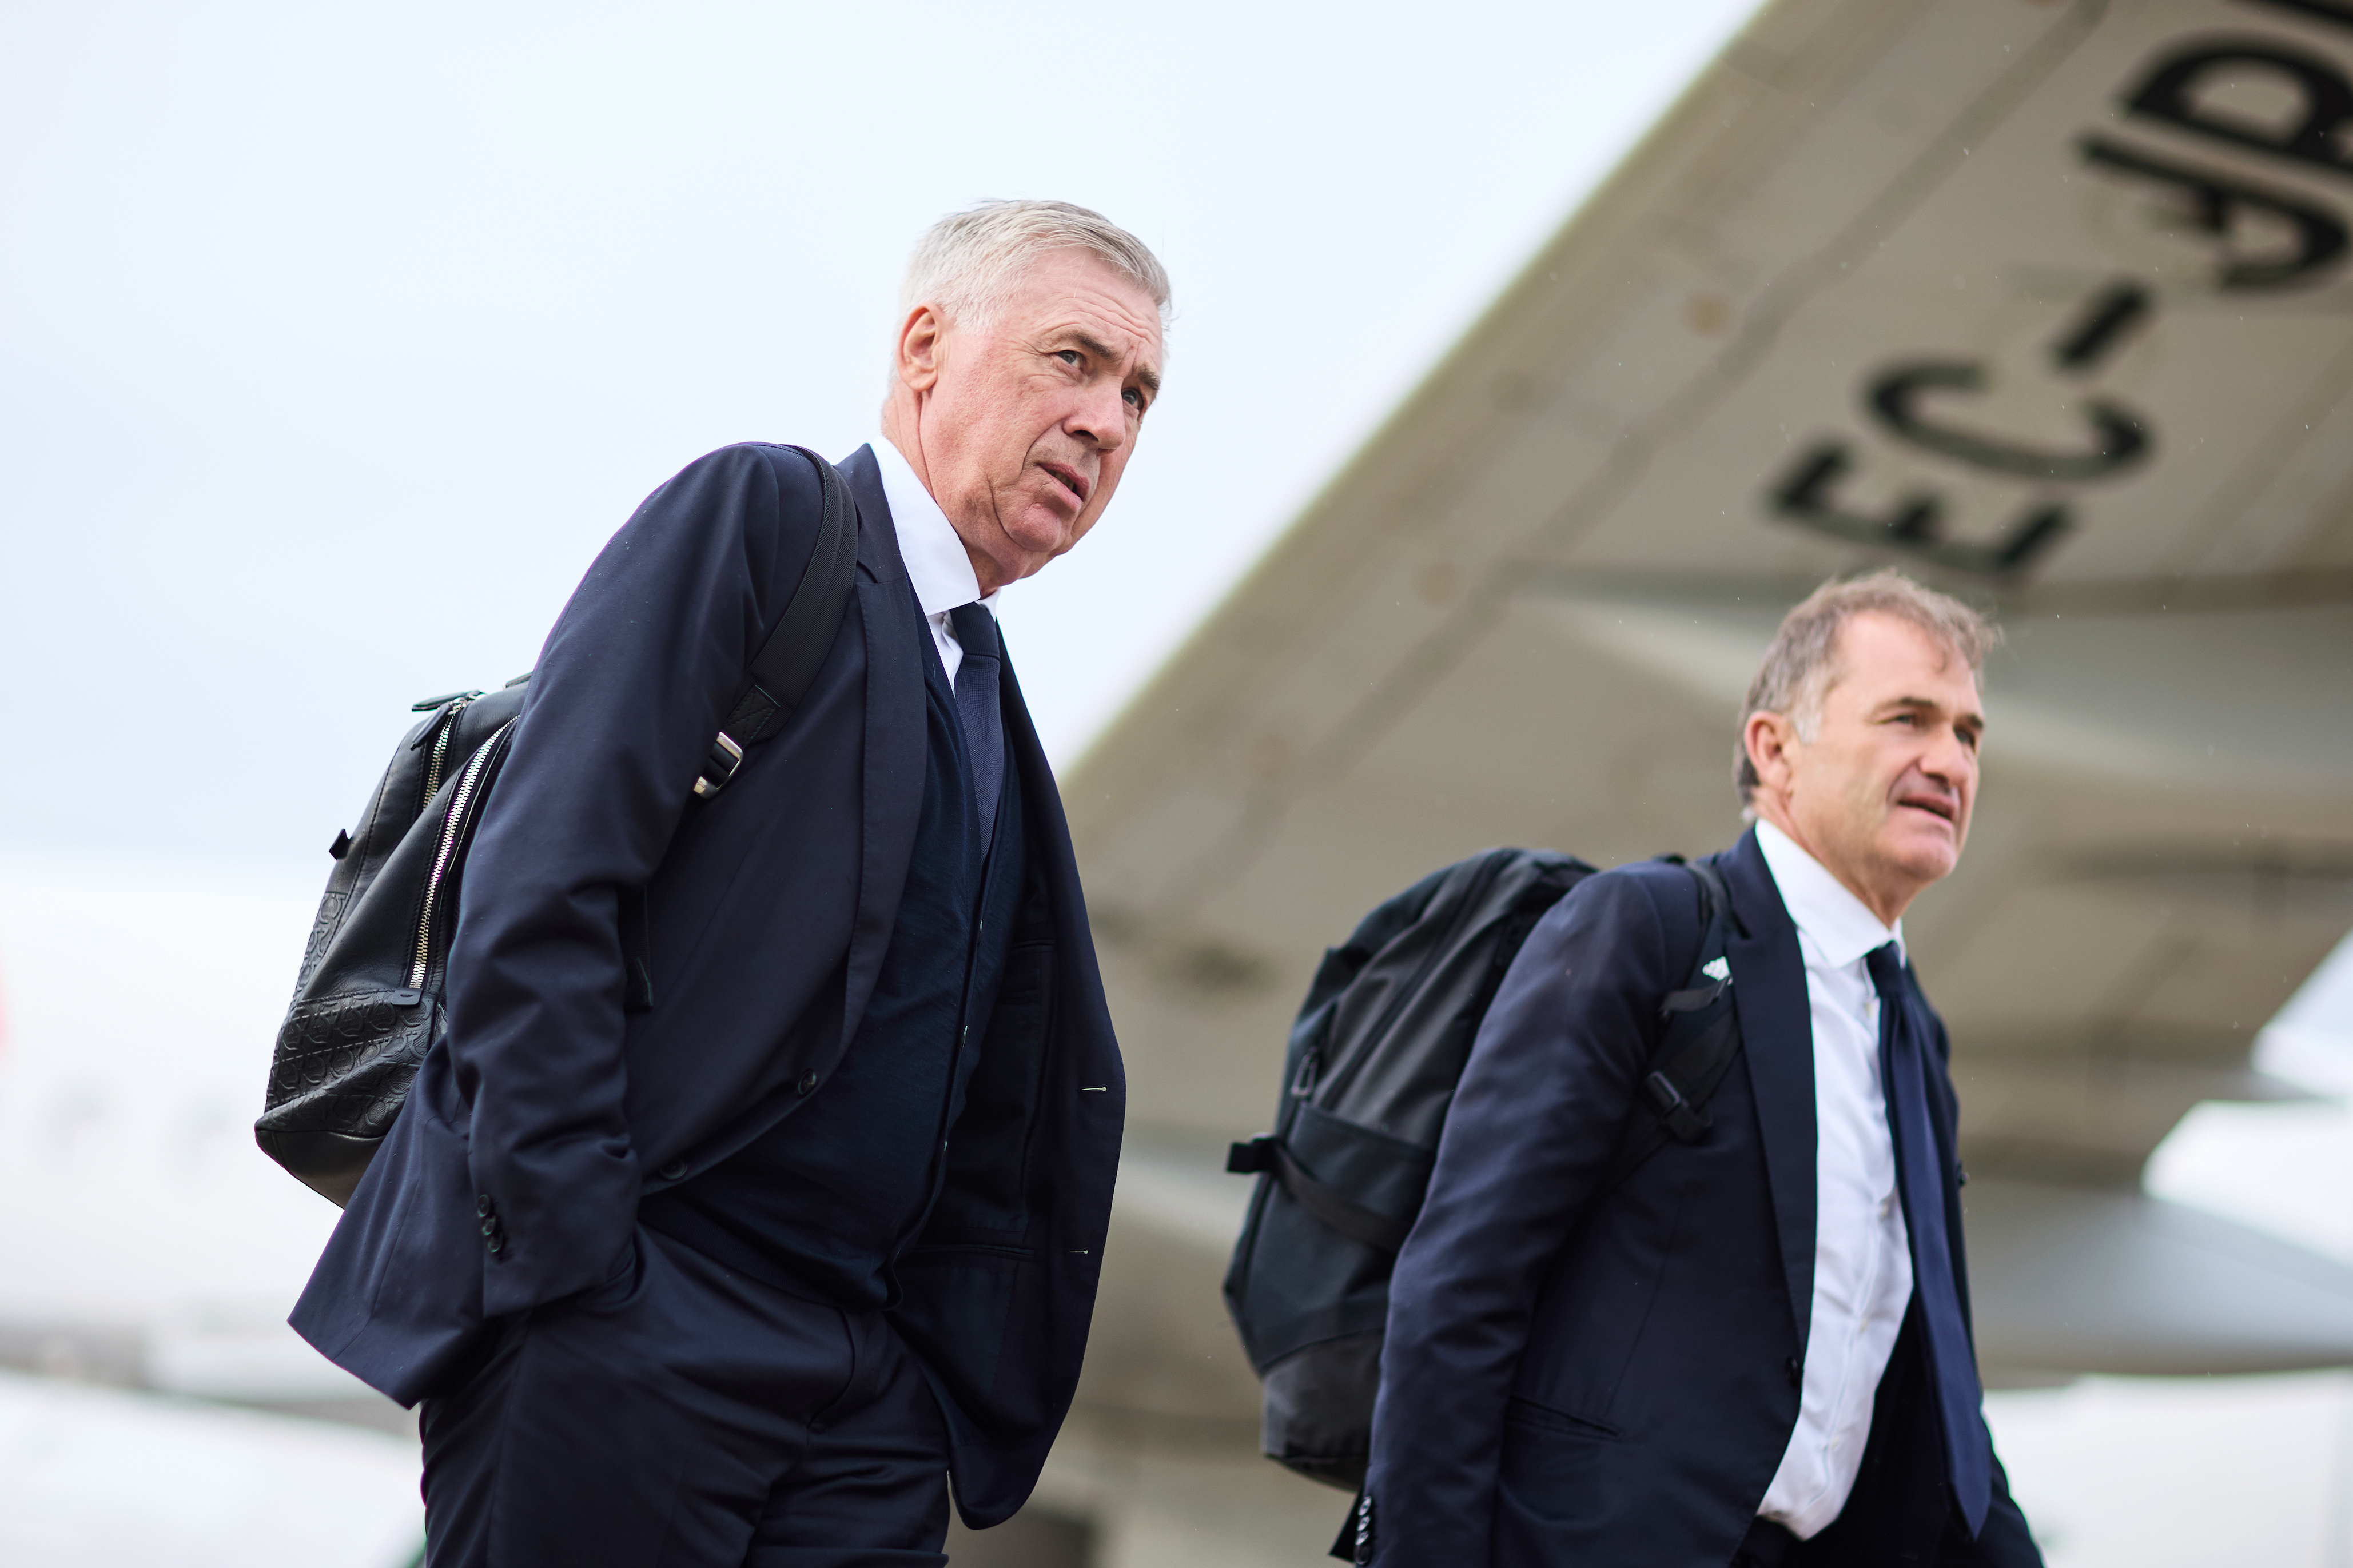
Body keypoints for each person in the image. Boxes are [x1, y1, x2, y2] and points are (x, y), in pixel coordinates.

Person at [290, 200, 1168, 1567]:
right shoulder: (767, 518)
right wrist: (584, 1268)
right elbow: (539, 884)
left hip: (859, 1396)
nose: (1108, 422)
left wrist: (911, 1380)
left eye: (1138, 395)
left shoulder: (984, 694)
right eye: (1073, 360)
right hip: (633, 1320)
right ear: (926, 346)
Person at [1363, 572, 2043, 1566]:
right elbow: (1462, 1283)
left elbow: (1939, 1406)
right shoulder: (1649, 930)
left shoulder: (1913, 1035)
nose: (1949, 760)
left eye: (1969, 735)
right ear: (1776, 749)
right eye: (1909, 719)